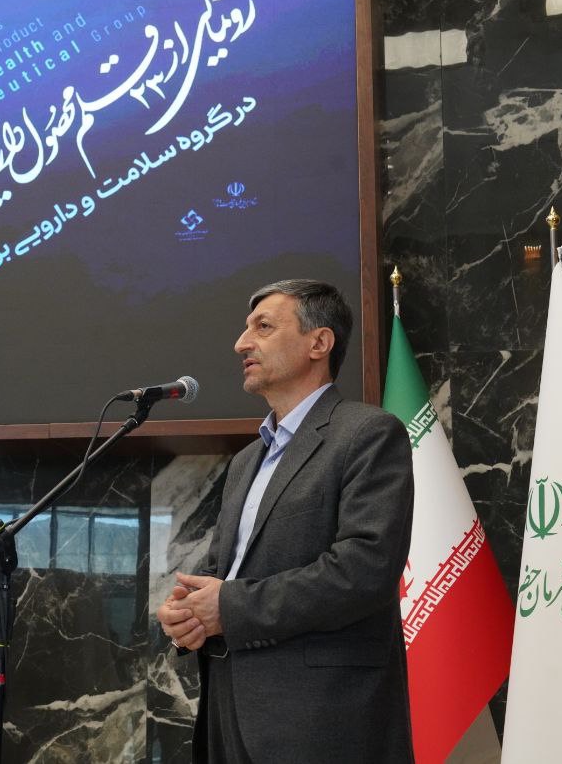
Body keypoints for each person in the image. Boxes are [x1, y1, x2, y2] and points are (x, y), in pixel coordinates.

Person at [157, 279, 415, 763]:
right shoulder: (246, 461)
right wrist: (189, 614)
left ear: (319, 342)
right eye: (245, 329)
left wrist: (227, 607)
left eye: (263, 327)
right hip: (228, 715)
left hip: (322, 721)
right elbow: (223, 573)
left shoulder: (367, 434)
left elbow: (364, 570)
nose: (241, 343)